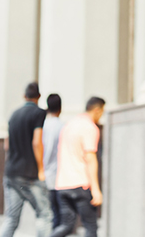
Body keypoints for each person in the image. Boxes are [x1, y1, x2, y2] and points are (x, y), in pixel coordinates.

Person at [0, 82, 53, 237]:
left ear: (24, 96)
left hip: (11, 172)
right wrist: (41, 169)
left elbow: (6, 144)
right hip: (29, 174)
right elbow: (37, 142)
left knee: (11, 218)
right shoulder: (38, 113)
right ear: (39, 96)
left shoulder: (13, 114)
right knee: (45, 215)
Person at [50, 97, 105, 237]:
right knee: (90, 226)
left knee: (66, 225)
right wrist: (96, 189)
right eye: (102, 112)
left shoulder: (69, 124)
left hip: (62, 184)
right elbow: (90, 158)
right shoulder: (89, 127)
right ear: (97, 110)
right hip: (81, 184)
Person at [42, 94, 63, 230]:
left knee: (48, 213)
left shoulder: (42, 125)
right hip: (57, 175)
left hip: (42, 174)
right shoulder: (61, 126)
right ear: (60, 108)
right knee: (56, 214)